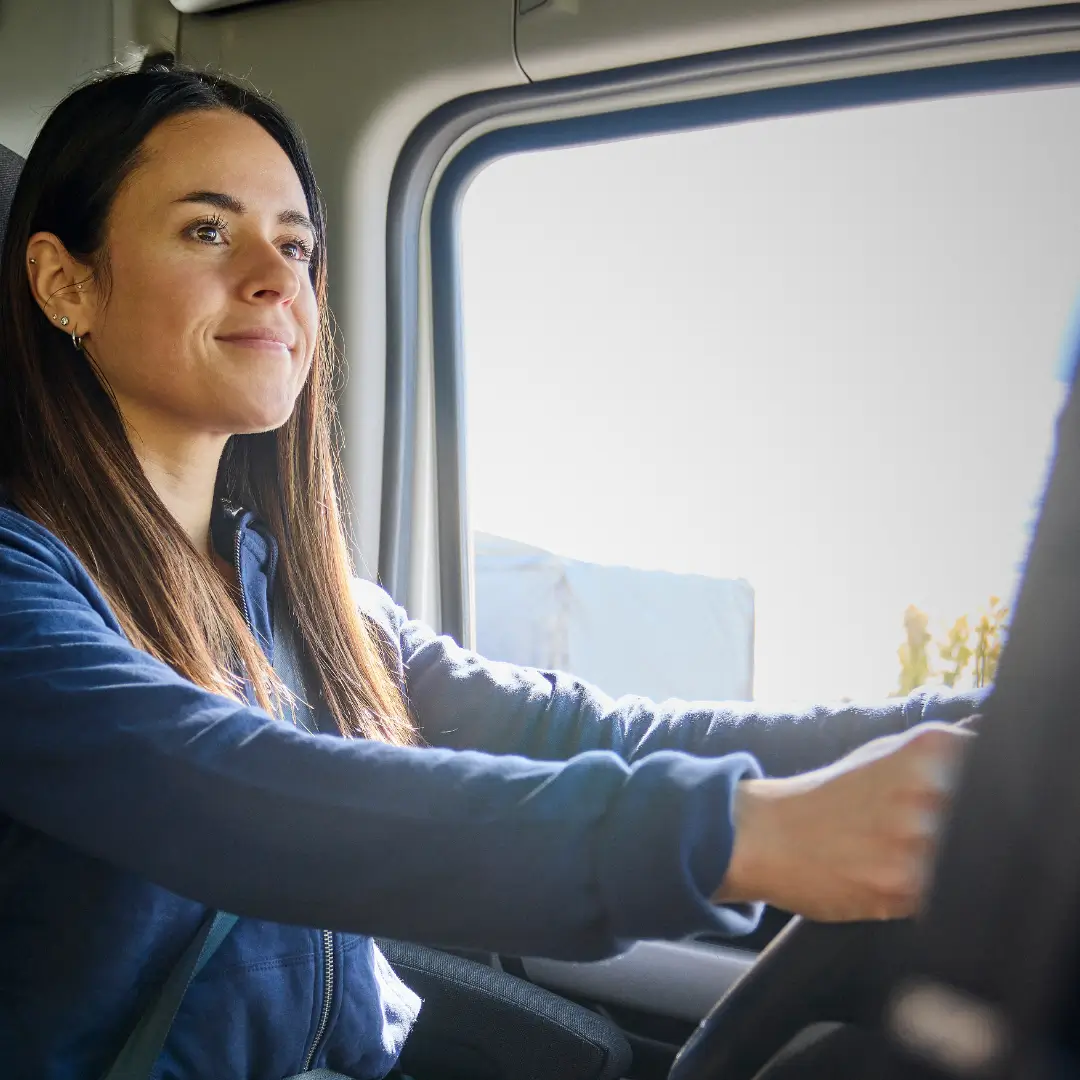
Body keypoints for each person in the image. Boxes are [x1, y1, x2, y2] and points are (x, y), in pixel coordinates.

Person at [0, 55, 981, 1080]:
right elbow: (237, 794)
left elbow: (599, 734)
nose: (278, 278)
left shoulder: (310, 604)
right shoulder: (20, 588)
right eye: (209, 230)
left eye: (295, 244)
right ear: (67, 283)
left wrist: (997, 724)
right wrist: (746, 836)